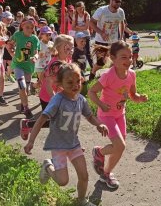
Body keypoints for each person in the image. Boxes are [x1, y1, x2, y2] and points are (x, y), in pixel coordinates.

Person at [24, 63, 108, 206]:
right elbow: (42, 119)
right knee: (63, 181)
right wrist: (31, 140)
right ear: (60, 83)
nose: (75, 85)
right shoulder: (58, 100)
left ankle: (81, 200)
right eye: (70, 82)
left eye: (78, 81)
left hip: (73, 144)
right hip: (58, 145)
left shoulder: (81, 100)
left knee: (84, 175)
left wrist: (99, 124)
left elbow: (89, 116)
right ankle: (47, 166)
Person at [88, 41, 148, 189]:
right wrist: (101, 105)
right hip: (106, 115)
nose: (128, 61)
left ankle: (106, 173)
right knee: (120, 145)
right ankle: (99, 152)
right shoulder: (109, 75)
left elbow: (132, 95)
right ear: (113, 58)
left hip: (120, 114)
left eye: (129, 57)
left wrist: (139, 98)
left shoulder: (132, 74)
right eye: (123, 57)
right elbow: (91, 92)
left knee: (119, 147)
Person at [20, 34, 74, 140]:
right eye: (68, 47)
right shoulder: (55, 64)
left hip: (59, 96)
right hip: (48, 97)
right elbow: (49, 84)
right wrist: (55, 100)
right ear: (58, 48)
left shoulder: (67, 60)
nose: (71, 50)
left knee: (57, 121)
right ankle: (67, 145)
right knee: (56, 122)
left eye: (72, 47)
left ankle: (28, 125)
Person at [89, 0, 126, 79]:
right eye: (116, 1)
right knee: (101, 63)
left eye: (120, 2)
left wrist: (121, 38)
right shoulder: (102, 10)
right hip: (101, 41)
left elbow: (122, 23)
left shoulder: (121, 12)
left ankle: (110, 76)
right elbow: (91, 22)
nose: (118, 4)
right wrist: (101, 32)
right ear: (110, 0)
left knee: (115, 60)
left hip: (114, 41)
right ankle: (93, 72)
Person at [8, 19, 39, 116]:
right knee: (22, 86)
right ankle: (26, 109)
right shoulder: (17, 35)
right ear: (22, 26)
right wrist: (12, 54)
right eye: (27, 27)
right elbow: (9, 45)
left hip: (29, 67)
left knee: (27, 90)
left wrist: (35, 57)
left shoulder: (34, 39)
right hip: (18, 65)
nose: (29, 30)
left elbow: (36, 52)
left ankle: (22, 103)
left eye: (32, 28)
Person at [71, 1, 92, 69]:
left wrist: (78, 27)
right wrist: (81, 28)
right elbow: (73, 27)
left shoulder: (86, 15)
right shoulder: (75, 15)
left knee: (88, 51)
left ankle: (93, 68)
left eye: (82, 8)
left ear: (84, 8)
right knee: (77, 51)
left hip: (86, 35)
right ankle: (77, 67)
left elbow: (86, 27)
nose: (80, 10)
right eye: (79, 8)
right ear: (76, 8)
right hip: (78, 36)